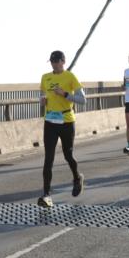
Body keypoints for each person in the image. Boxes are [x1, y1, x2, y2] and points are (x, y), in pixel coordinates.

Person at [38, 50, 86, 208]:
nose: (53, 64)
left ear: (63, 62)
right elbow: (43, 95)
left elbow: (82, 100)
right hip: (50, 121)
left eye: (56, 61)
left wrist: (65, 94)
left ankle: (77, 177)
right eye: (51, 61)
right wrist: (43, 100)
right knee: (48, 158)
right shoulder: (45, 77)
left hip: (66, 121)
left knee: (68, 155)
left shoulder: (70, 77)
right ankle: (46, 195)